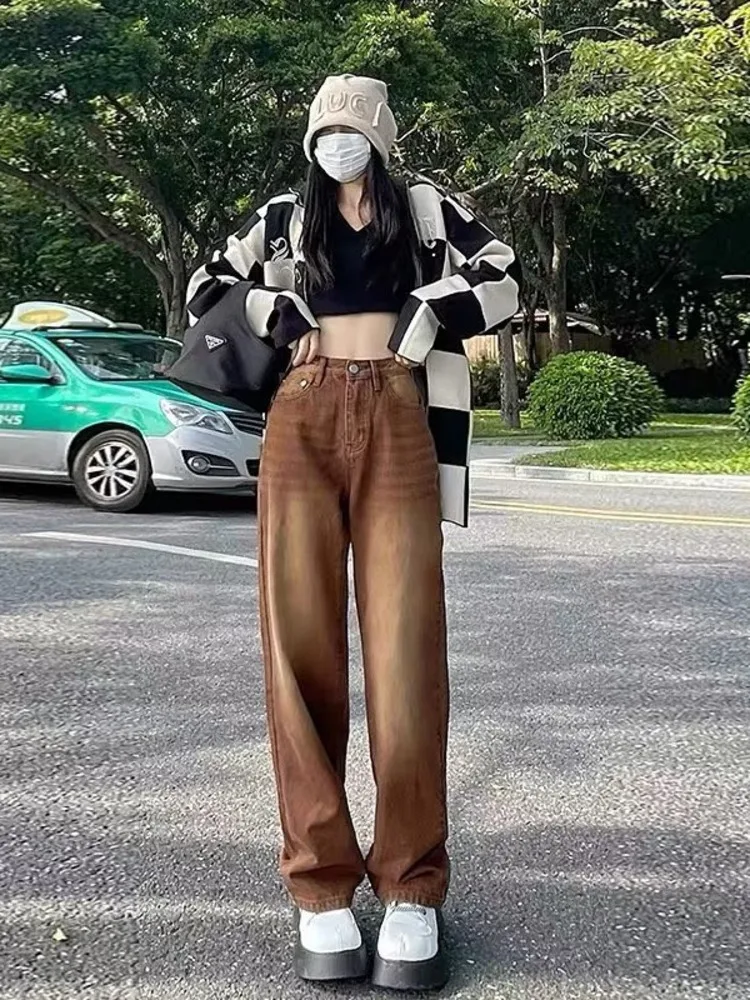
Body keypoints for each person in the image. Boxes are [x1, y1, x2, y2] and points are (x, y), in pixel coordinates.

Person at [182, 75, 521, 991]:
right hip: (300, 413)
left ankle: (411, 885)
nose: (338, 140)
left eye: (353, 128)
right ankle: (320, 885)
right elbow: (206, 288)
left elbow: (504, 277)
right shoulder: (282, 217)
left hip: (400, 412)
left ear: (380, 136)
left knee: (406, 647)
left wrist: (430, 312)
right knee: (299, 645)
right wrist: (272, 311)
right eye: (324, 128)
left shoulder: (425, 210)